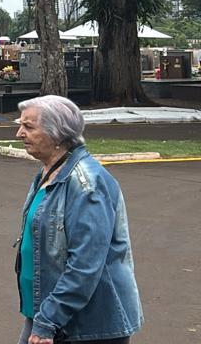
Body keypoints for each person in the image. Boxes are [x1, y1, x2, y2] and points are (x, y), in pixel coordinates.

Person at [14, 96, 142, 344]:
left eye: (29, 127)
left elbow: (85, 264)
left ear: (58, 134)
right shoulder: (49, 172)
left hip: (86, 325)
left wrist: (47, 321)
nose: (19, 133)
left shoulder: (86, 184)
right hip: (48, 313)